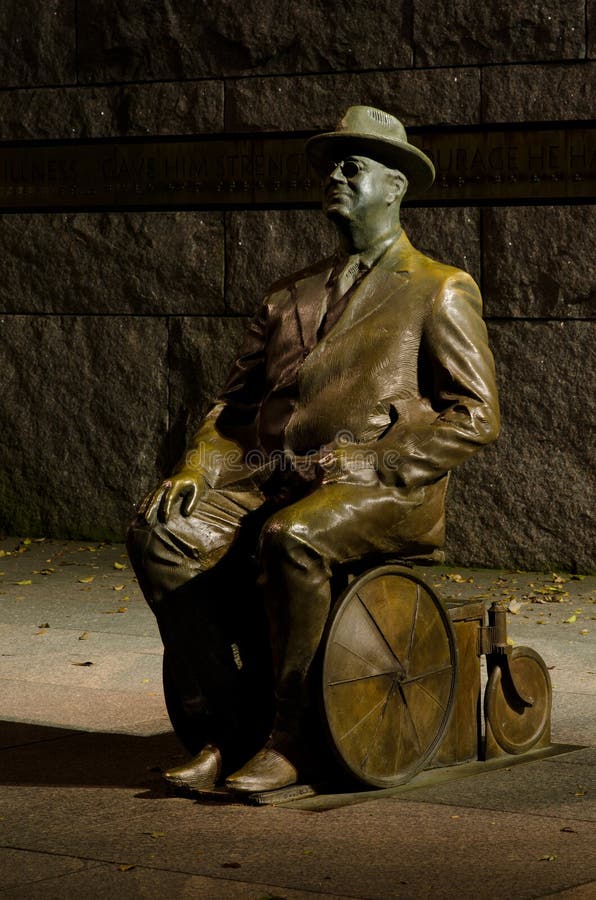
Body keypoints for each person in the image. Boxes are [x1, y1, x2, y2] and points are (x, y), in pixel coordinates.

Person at [127, 105, 500, 795]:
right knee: (160, 533)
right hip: (271, 474)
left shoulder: (439, 289)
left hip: (382, 486)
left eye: (353, 166)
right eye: (331, 165)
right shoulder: (286, 294)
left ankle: (289, 738)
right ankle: (232, 727)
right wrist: (195, 465)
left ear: (395, 186)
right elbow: (232, 410)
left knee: (293, 537)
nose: (335, 175)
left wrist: (378, 462)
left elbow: (476, 417)